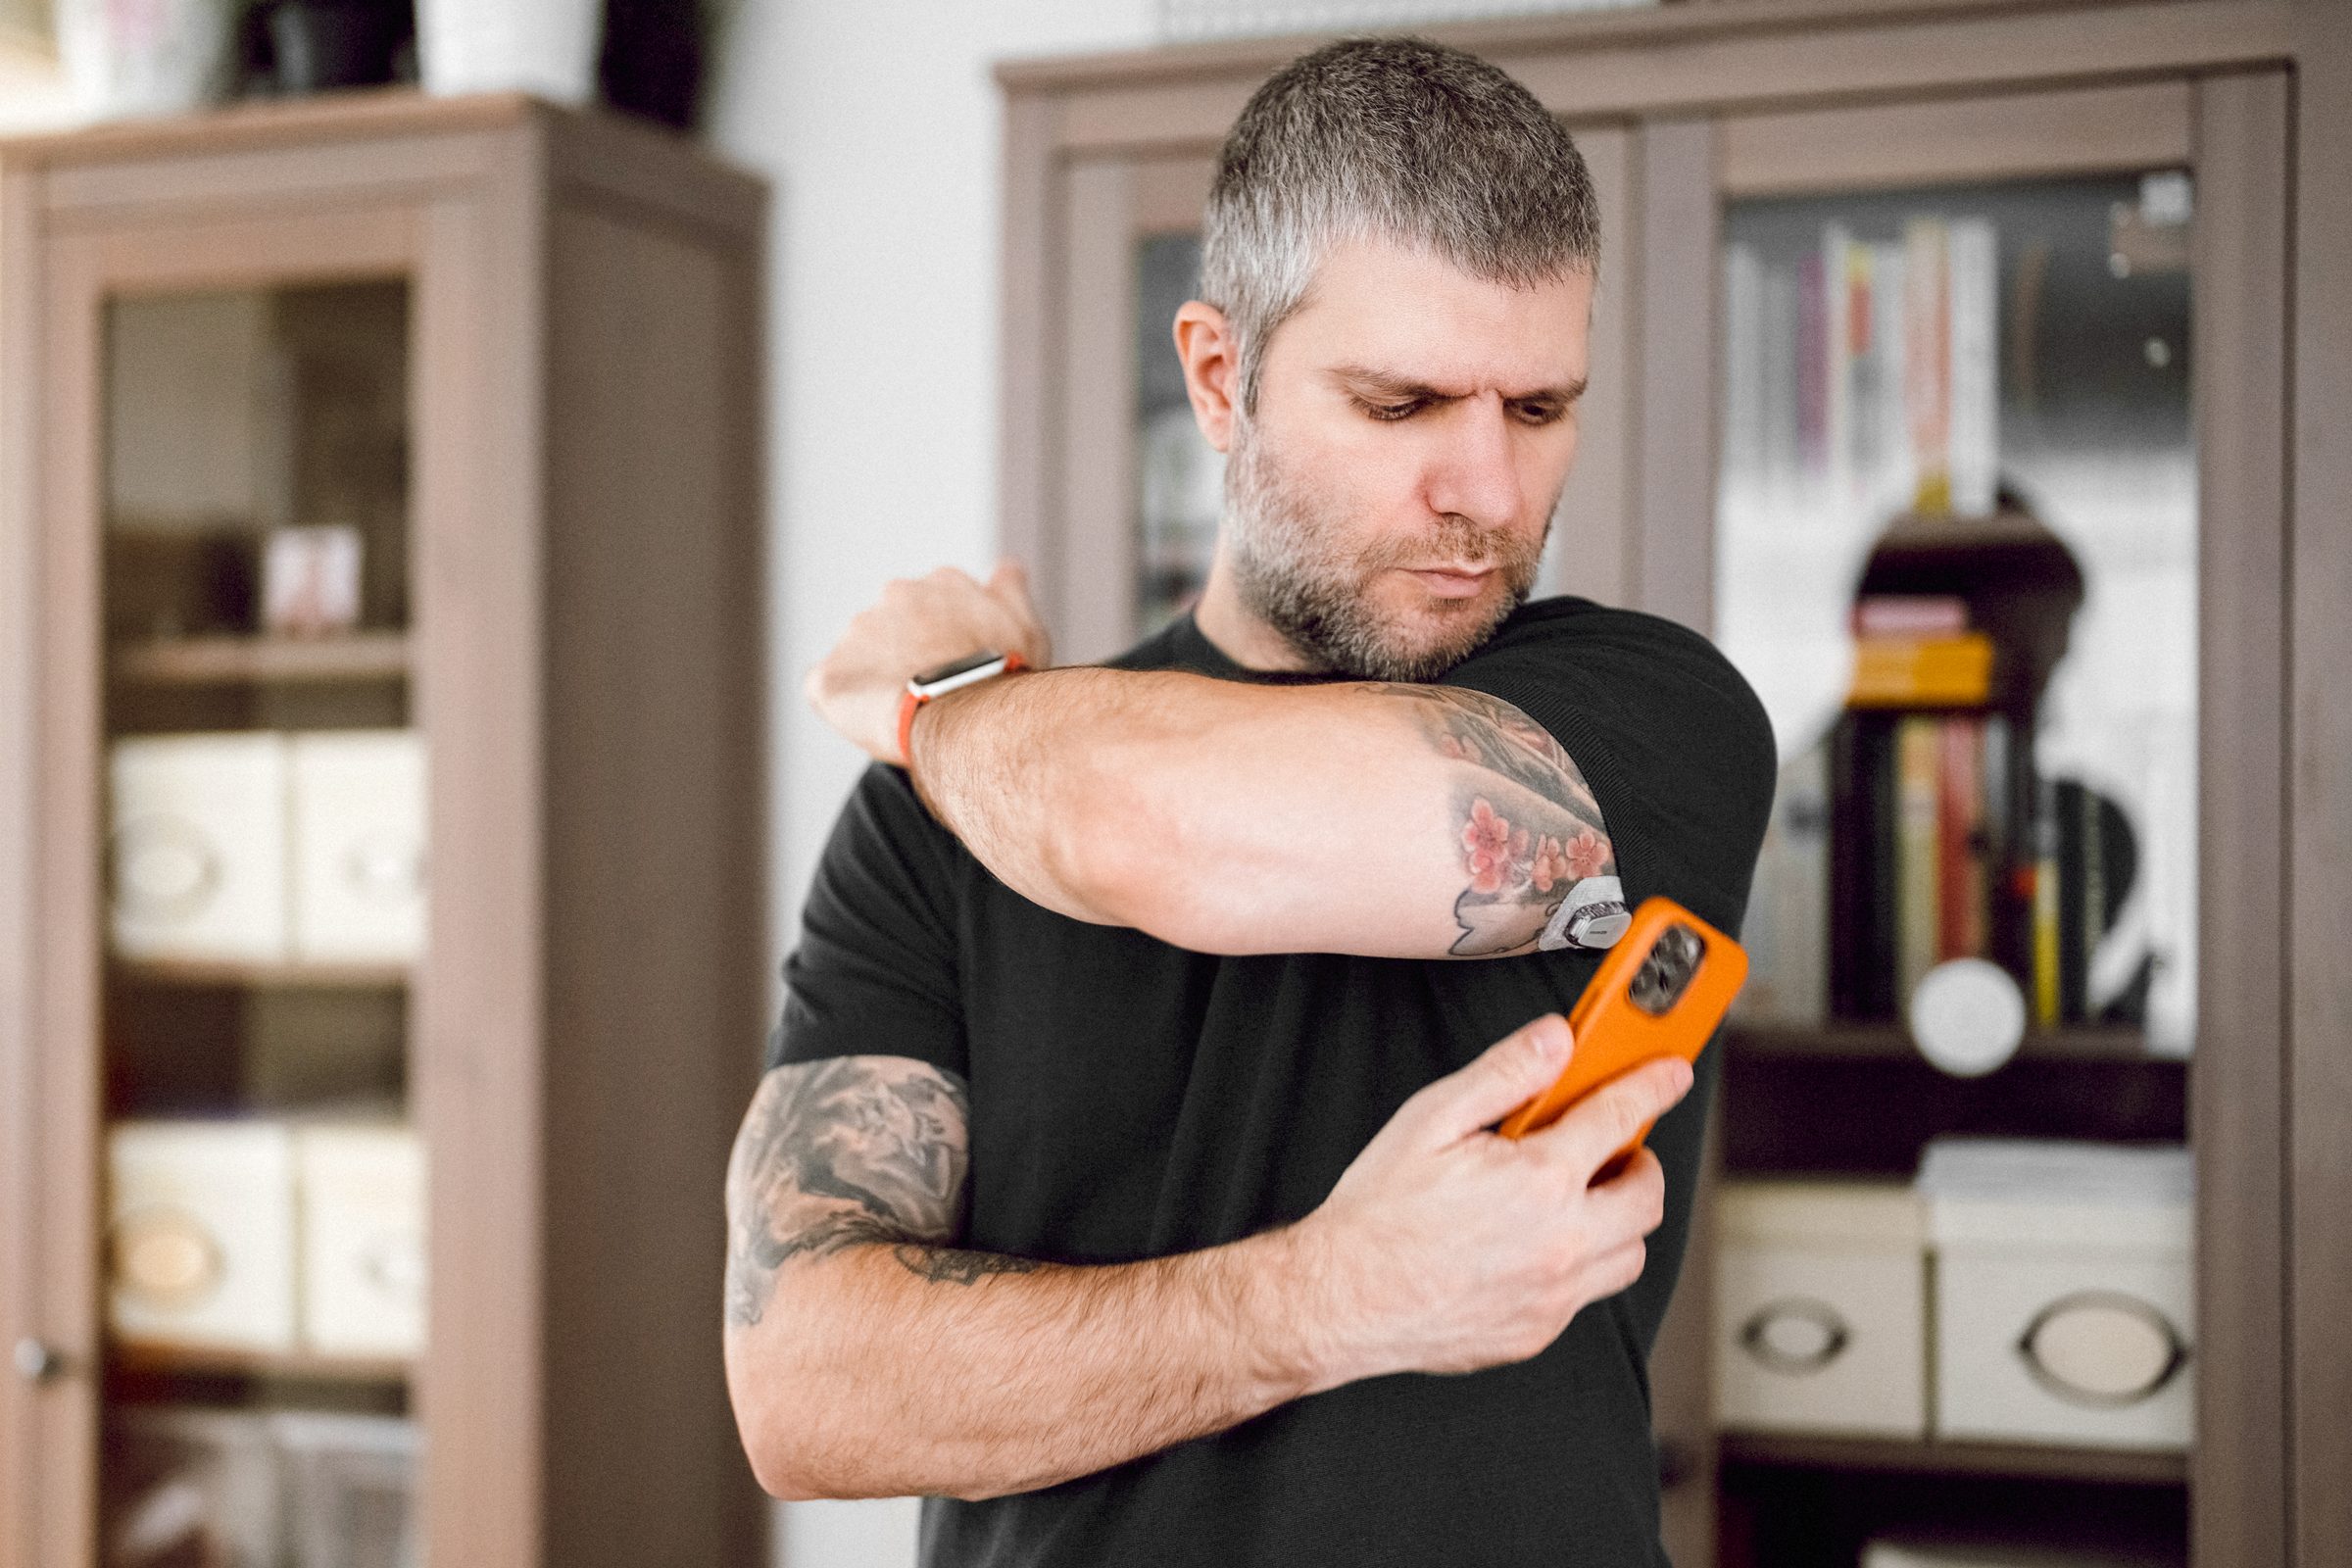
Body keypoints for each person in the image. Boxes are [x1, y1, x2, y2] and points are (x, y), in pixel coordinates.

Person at [722, 36, 1776, 1568]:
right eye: (1403, 402)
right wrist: (1323, 1301)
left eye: (1539, 409)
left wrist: (930, 702)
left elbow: (1161, 828)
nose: (1485, 489)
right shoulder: (938, 823)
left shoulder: (1651, 723)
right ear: (1220, 377)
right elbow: (808, 1389)